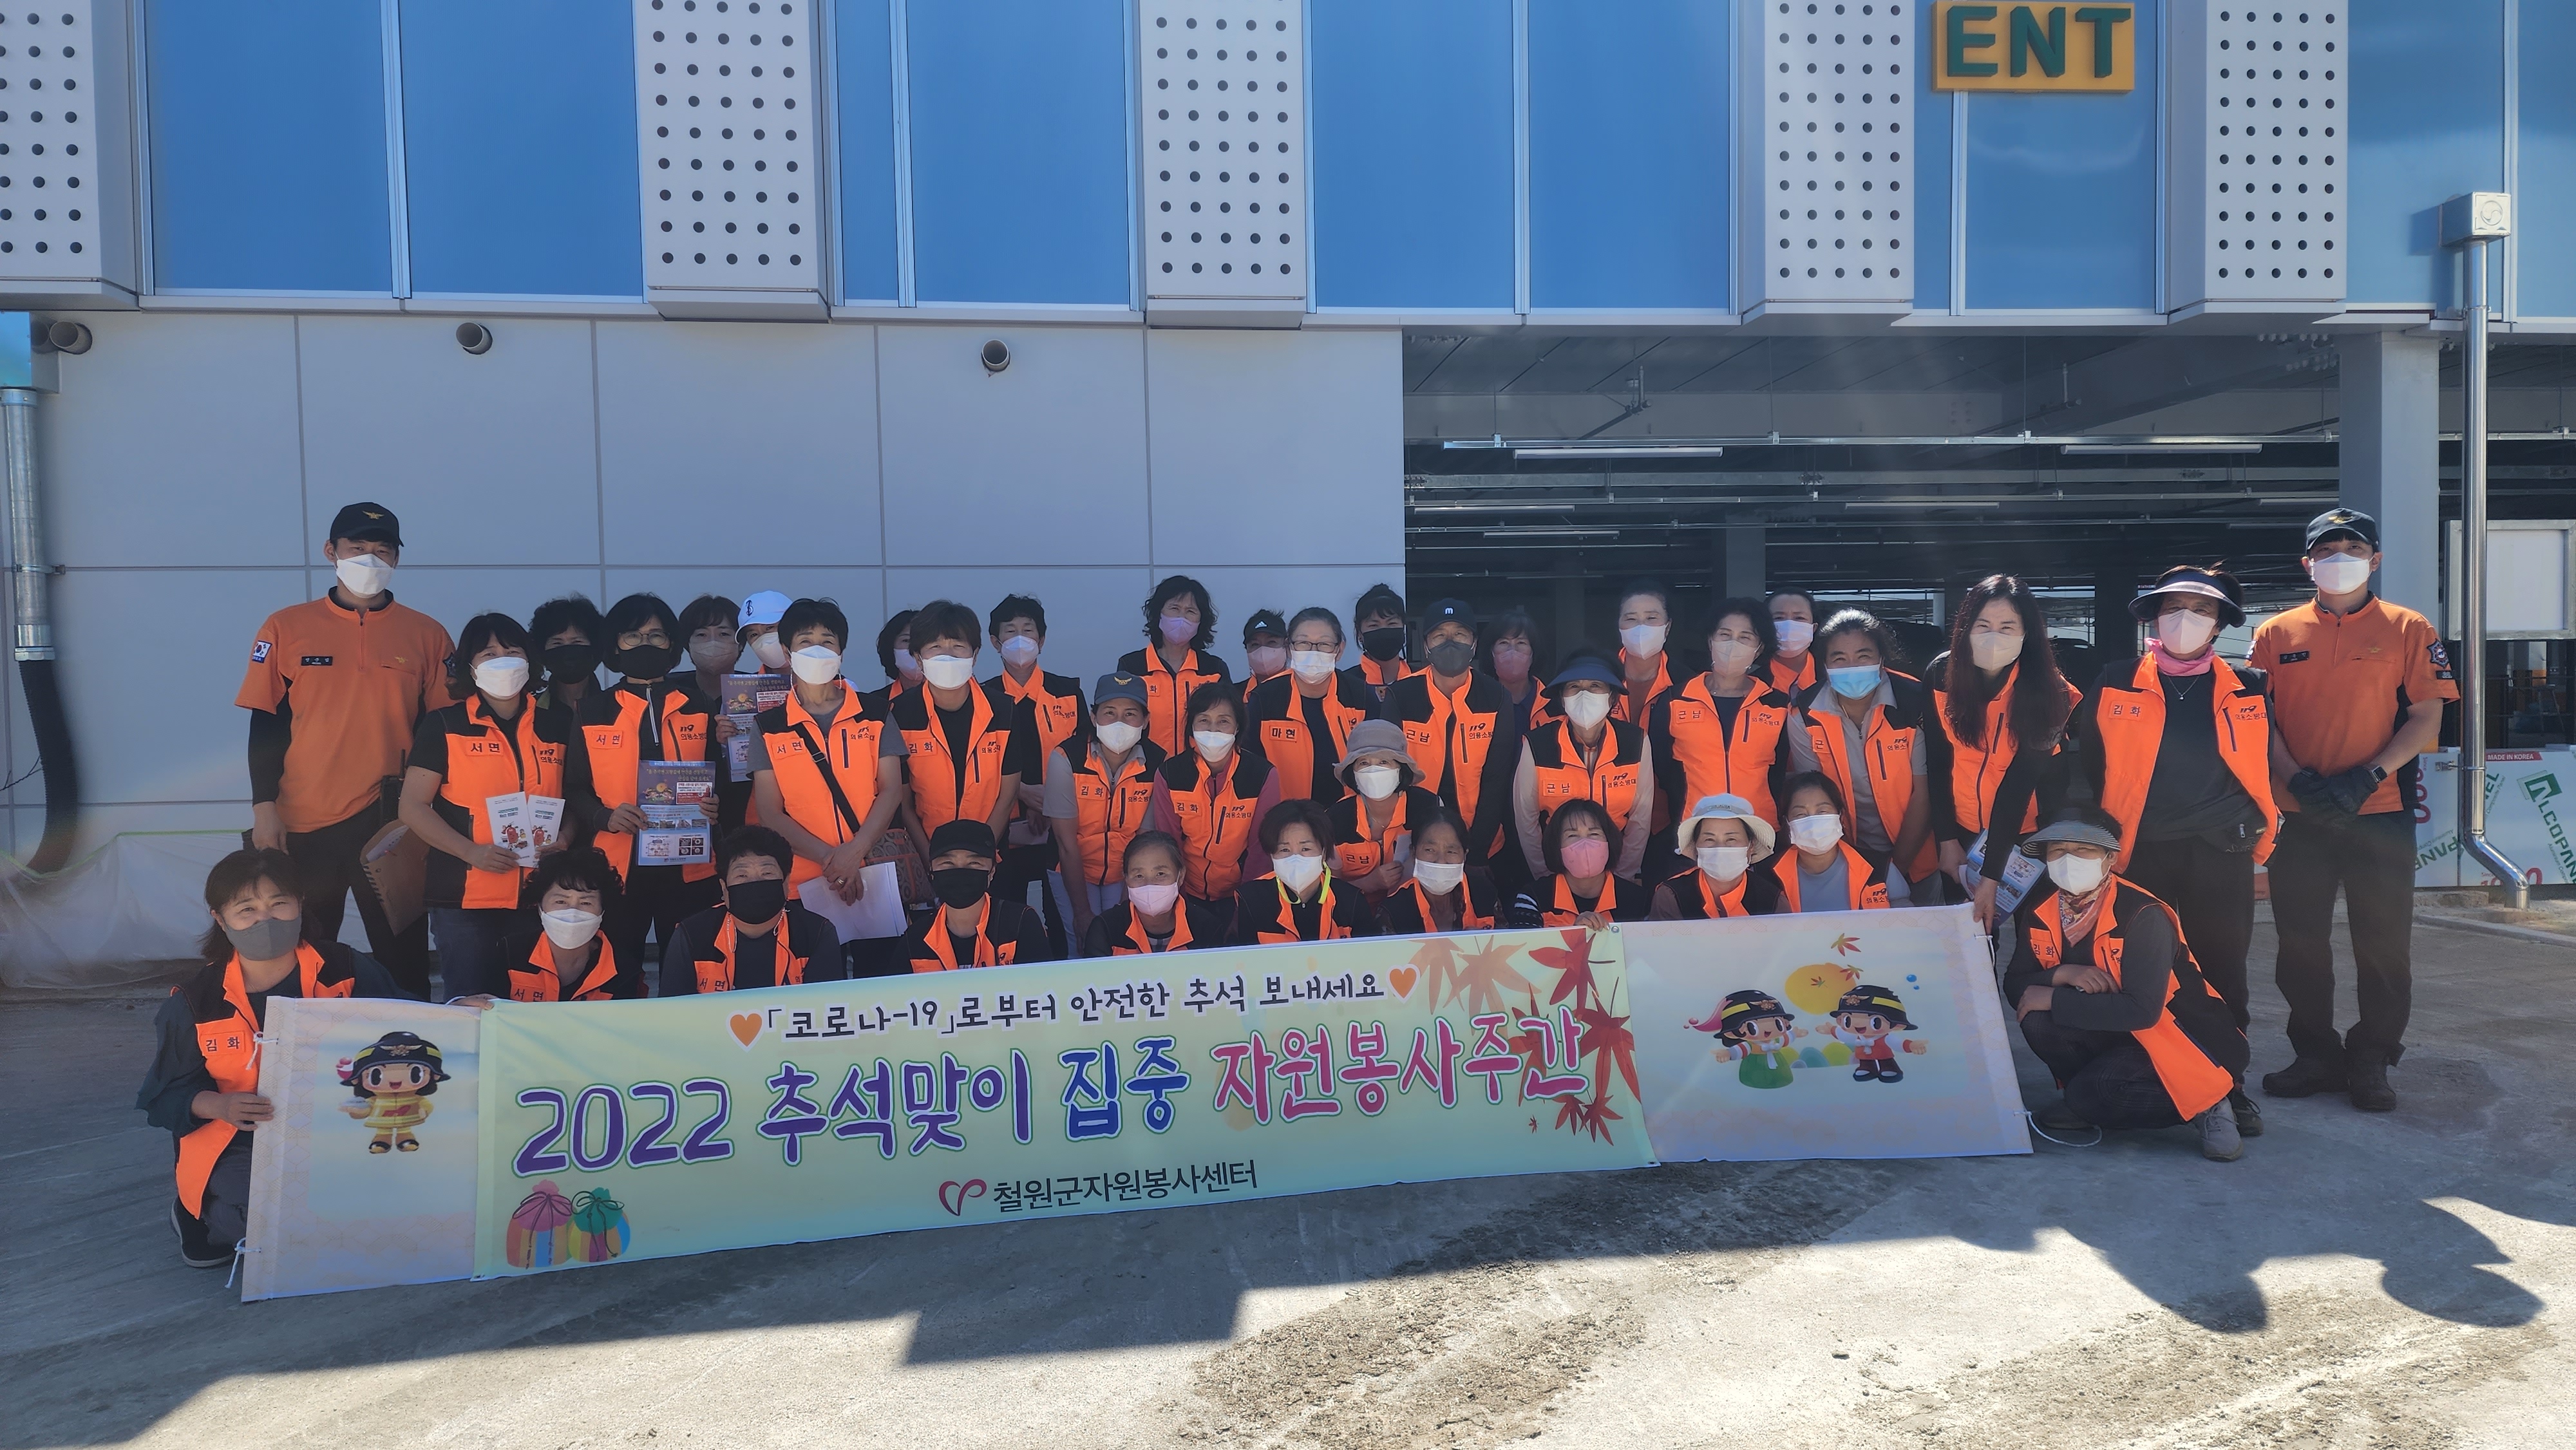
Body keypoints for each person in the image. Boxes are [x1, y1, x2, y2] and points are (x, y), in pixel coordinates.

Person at [2252, 509, 2457, 1113]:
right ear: (2307, 563)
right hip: (2300, 814)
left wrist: (2369, 775)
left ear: (2375, 559)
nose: (2340, 557)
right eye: (2326, 549)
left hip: (2380, 811)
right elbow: (2258, 719)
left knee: (2384, 945)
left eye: (2353, 547)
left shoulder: (2409, 628)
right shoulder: (2275, 634)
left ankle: (2373, 1056)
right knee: (2300, 943)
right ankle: (2315, 1054)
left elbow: (2426, 714)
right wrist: (2296, 779)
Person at [2071, 563, 2274, 1136]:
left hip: (2220, 850)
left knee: (2222, 970)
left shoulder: (2250, 686)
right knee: (2145, 973)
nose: (2187, 618)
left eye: (2202, 609)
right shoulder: (2116, 679)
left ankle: (2228, 1086)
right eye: (2174, 607)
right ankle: (2152, 1077)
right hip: (2140, 853)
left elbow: (2259, 763)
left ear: (2220, 624)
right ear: (2155, 618)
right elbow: (2084, 762)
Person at [140, 848, 409, 1268]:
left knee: (384, 1209)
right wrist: (221, 1106)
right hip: (242, 1140)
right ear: (220, 919)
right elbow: (164, 1097)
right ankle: (197, 1212)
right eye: (246, 909)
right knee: (268, 1225)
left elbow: (409, 1021)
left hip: (341, 1126)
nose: (264, 920)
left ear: (300, 904)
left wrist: (461, 1010)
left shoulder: (345, 968)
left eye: (278, 903)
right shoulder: (196, 1001)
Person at [237, 501, 448, 997]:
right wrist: (264, 808)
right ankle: (303, 1040)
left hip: (390, 821)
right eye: (357, 548)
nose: (370, 559)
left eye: (382, 550)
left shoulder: (428, 634)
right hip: (302, 821)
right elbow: (265, 724)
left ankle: (409, 1039)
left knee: (403, 955)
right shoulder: (285, 627)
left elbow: (440, 732)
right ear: (331, 551)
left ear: (397, 558)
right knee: (303, 952)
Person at [2002, 807, 2251, 1161]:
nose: (2069, 860)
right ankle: (2085, 1100)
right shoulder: (2041, 909)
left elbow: (2143, 1011)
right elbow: (2017, 987)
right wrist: (2062, 975)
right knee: (2038, 1022)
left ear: (2110, 858)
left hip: (2183, 1041)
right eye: (2058, 851)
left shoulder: (2143, 914)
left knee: (2094, 1092)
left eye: (2084, 849)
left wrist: (2053, 997)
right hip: (2114, 1032)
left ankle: (2210, 1101)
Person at [399, 613, 589, 1000]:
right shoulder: (443, 725)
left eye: (512, 651)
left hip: (539, 893)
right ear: (469, 667)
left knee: (535, 1002)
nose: (503, 660)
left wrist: (566, 839)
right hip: (464, 898)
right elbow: (412, 806)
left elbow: (572, 799)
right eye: (488, 654)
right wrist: (470, 852)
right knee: (471, 1004)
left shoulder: (557, 724)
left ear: (530, 660)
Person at [578, 593, 721, 979]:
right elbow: (573, 787)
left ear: (671, 645)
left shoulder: (697, 704)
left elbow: (719, 777)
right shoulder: (593, 710)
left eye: (656, 636)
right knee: (617, 973)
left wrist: (715, 804)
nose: (645, 644)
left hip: (688, 865)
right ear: (615, 645)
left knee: (691, 971)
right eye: (633, 636)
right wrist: (604, 816)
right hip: (618, 867)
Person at [1930, 575, 2081, 932]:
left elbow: (2019, 786)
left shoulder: (2053, 693)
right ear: (1965, 629)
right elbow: (1937, 761)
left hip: (2027, 838)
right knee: (1973, 937)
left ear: (2027, 633)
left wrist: (1991, 876)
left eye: (2007, 627)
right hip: (1964, 830)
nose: (1993, 636)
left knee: (2035, 935)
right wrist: (1946, 839)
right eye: (1983, 625)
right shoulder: (1942, 674)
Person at [752, 599, 905, 909]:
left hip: (873, 871)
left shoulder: (876, 713)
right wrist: (831, 860)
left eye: (827, 641)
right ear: (787, 653)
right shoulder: (768, 726)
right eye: (805, 642)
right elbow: (769, 812)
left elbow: (891, 790)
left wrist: (855, 852)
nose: (817, 650)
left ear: (840, 652)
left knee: (883, 944)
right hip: (804, 881)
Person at [1786, 609, 1931, 899]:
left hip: (1919, 856)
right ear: (1825, 665)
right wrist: (1861, 869)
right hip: (1845, 859)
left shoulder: (1914, 702)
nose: (1852, 666)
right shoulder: (1805, 713)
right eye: (1839, 658)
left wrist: (1895, 869)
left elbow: (1923, 793)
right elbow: (1813, 794)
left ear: (1881, 660)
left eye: (1864, 656)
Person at [1381, 598, 1519, 881]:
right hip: (1416, 842)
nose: (1450, 642)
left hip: (1483, 842)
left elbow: (1497, 779)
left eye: (1460, 634)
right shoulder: (1401, 696)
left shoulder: (1496, 696)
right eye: (1440, 636)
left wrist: (1477, 852)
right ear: (1426, 645)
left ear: (1474, 643)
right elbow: (1392, 775)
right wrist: (1417, 845)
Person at [986, 595, 1088, 955]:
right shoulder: (984, 697)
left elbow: (1084, 756)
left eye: (1028, 631)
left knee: (1062, 918)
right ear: (995, 642)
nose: (1020, 639)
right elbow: (980, 763)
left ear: (1042, 640)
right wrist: (1023, 794)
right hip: (1004, 828)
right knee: (1006, 920)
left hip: (1060, 828)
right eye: (1010, 631)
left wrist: (1049, 802)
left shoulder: (1068, 692)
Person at [1650, 599, 1794, 839]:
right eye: (1725, 635)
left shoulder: (1777, 704)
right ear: (1711, 641)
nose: (1733, 644)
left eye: (1745, 637)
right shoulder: (1676, 700)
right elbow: (1662, 767)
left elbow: (1780, 770)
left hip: (1760, 831)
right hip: (1694, 830)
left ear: (1759, 649)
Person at [1148, 683, 1282, 933]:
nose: (1213, 729)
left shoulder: (1262, 774)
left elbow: (1260, 849)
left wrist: (1245, 909)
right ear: (1192, 726)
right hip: (1187, 893)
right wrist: (1181, 907)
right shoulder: (1169, 774)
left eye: (1223, 721)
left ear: (1237, 727)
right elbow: (1169, 845)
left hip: (1239, 892)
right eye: (1204, 720)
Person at [1047, 672, 1166, 947]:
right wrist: (1082, 913)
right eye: (1109, 712)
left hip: (1128, 872)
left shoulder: (1158, 762)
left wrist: (1125, 907)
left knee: (1119, 942)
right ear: (1094, 717)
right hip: (1072, 868)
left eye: (1130, 714)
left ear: (1145, 720)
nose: (1119, 722)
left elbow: (1144, 841)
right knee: (1079, 944)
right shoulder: (1066, 757)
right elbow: (1065, 843)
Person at [1513, 652, 1653, 881]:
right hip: (1556, 865)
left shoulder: (1635, 742)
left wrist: (1622, 878)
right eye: (1574, 687)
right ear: (1562, 698)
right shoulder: (1538, 744)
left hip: (1616, 865)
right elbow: (1526, 820)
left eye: (1595, 686)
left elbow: (1641, 819)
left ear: (1612, 698)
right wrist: (1546, 877)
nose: (1584, 694)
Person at [659, 825, 850, 992]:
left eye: (767, 873)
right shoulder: (692, 935)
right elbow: (672, 1011)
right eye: (741, 875)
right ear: (724, 888)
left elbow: (827, 1009)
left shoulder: (816, 933)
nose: (755, 882)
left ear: (786, 883)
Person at [1245, 605, 1377, 803]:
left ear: (1339, 650)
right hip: (1285, 816)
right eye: (1303, 643)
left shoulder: (1362, 696)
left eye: (1324, 644)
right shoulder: (1264, 699)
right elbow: (1249, 768)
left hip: (1351, 815)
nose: (1313, 652)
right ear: (1290, 648)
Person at [488, 847, 641, 1002]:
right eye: (560, 901)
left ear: (603, 910)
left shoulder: (623, 968)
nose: (572, 912)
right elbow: (487, 1006)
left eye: (586, 903)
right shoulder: (509, 953)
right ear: (540, 906)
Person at [900, 820, 1054, 970]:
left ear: (992, 872)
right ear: (932, 870)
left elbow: (1042, 983)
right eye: (947, 863)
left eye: (974, 863)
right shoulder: (915, 938)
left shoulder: (1021, 923)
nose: (960, 871)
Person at [1231, 798, 1383, 943]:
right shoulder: (1251, 899)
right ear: (1271, 854)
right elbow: (1244, 957)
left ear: (1324, 853)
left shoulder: (1351, 900)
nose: (1295, 858)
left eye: (1306, 849)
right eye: (1284, 850)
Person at [1326, 718, 1446, 898]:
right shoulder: (1335, 819)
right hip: (1354, 911)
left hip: (1415, 907)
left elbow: (1443, 868)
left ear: (1401, 769)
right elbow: (1327, 890)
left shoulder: (1430, 807)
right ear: (1353, 772)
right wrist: (1368, 884)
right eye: (1364, 763)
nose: (1374, 771)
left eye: (1384, 762)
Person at [1120, 575, 1232, 757]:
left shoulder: (1214, 669)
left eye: (1191, 611)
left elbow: (1229, 722)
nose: (1182, 618)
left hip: (1199, 767)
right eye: (1174, 608)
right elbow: (1122, 725)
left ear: (1200, 620)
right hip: (1145, 768)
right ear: (1159, 613)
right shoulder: (1132, 666)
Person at [1503, 798, 1651, 928]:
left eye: (1594, 834)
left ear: (1610, 841)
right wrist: (1574, 934)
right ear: (1556, 846)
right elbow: (1525, 949)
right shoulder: (1532, 898)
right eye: (1572, 835)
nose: (1585, 843)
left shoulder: (1638, 900)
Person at [677, 592, 756, 834]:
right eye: (701, 635)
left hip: (748, 812)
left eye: (723, 634)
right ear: (687, 644)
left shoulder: (758, 690)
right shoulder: (670, 694)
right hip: (685, 818)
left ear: (740, 643)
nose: (712, 643)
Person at [1081, 829, 1222, 956]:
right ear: (1126, 879)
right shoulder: (1106, 928)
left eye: (1160, 874)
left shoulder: (1207, 928)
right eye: (1139, 876)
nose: (1149, 884)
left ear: (1180, 877)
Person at [1770, 772, 1895, 912]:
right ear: (1787, 823)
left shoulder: (1879, 867)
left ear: (1840, 816)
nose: (1813, 821)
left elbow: (1906, 916)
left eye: (1822, 811)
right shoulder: (1767, 876)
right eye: (1801, 814)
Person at [1651, 794, 1783, 919]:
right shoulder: (1671, 896)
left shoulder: (1773, 900)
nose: (1720, 848)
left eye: (1731, 839)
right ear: (1696, 846)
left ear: (1751, 846)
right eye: (1709, 839)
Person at [1377, 804, 1503, 933]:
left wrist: (1482, 942)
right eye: (1430, 850)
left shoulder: (1484, 893)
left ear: (1465, 855)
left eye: (1451, 852)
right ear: (1413, 853)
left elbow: (1507, 940)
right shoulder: (1393, 912)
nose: (1441, 861)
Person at [1608, 580, 1677, 726]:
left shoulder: (1685, 682)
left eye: (1651, 618)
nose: (1641, 627)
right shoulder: (1599, 677)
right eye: (1631, 619)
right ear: (1619, 625)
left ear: (1668, 627)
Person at [529, 593, 606, 717]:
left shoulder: (617, 709)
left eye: (577, 642)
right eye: (557, 643)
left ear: (595, 648)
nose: (567, 651)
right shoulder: (529, 712)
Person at [1352, 582, 1414, 701]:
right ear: (1360, 633)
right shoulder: (1344, 684)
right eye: (1374, 625)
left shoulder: (1423, 680)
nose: (1384, 631)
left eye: (1392, 624)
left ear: (1403, 628)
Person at [860, 608, 922, 714]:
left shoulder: (949, 701)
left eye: (922, 640)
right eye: (906, 640)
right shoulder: (872, 704)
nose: (914, 648)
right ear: (891, 647)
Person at [1766, 588, 1823, 696]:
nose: (1789, 625)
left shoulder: (1831, 679)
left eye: (1799, 618)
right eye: (1779, 618)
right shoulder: (1751, 682)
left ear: (1813, 628)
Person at [1240, 608, 1291, 702]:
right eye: (1255, 644)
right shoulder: (1234, 695)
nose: (1263, 651)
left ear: (1286, 646)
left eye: (1271, 642)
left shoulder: (1304, 691)